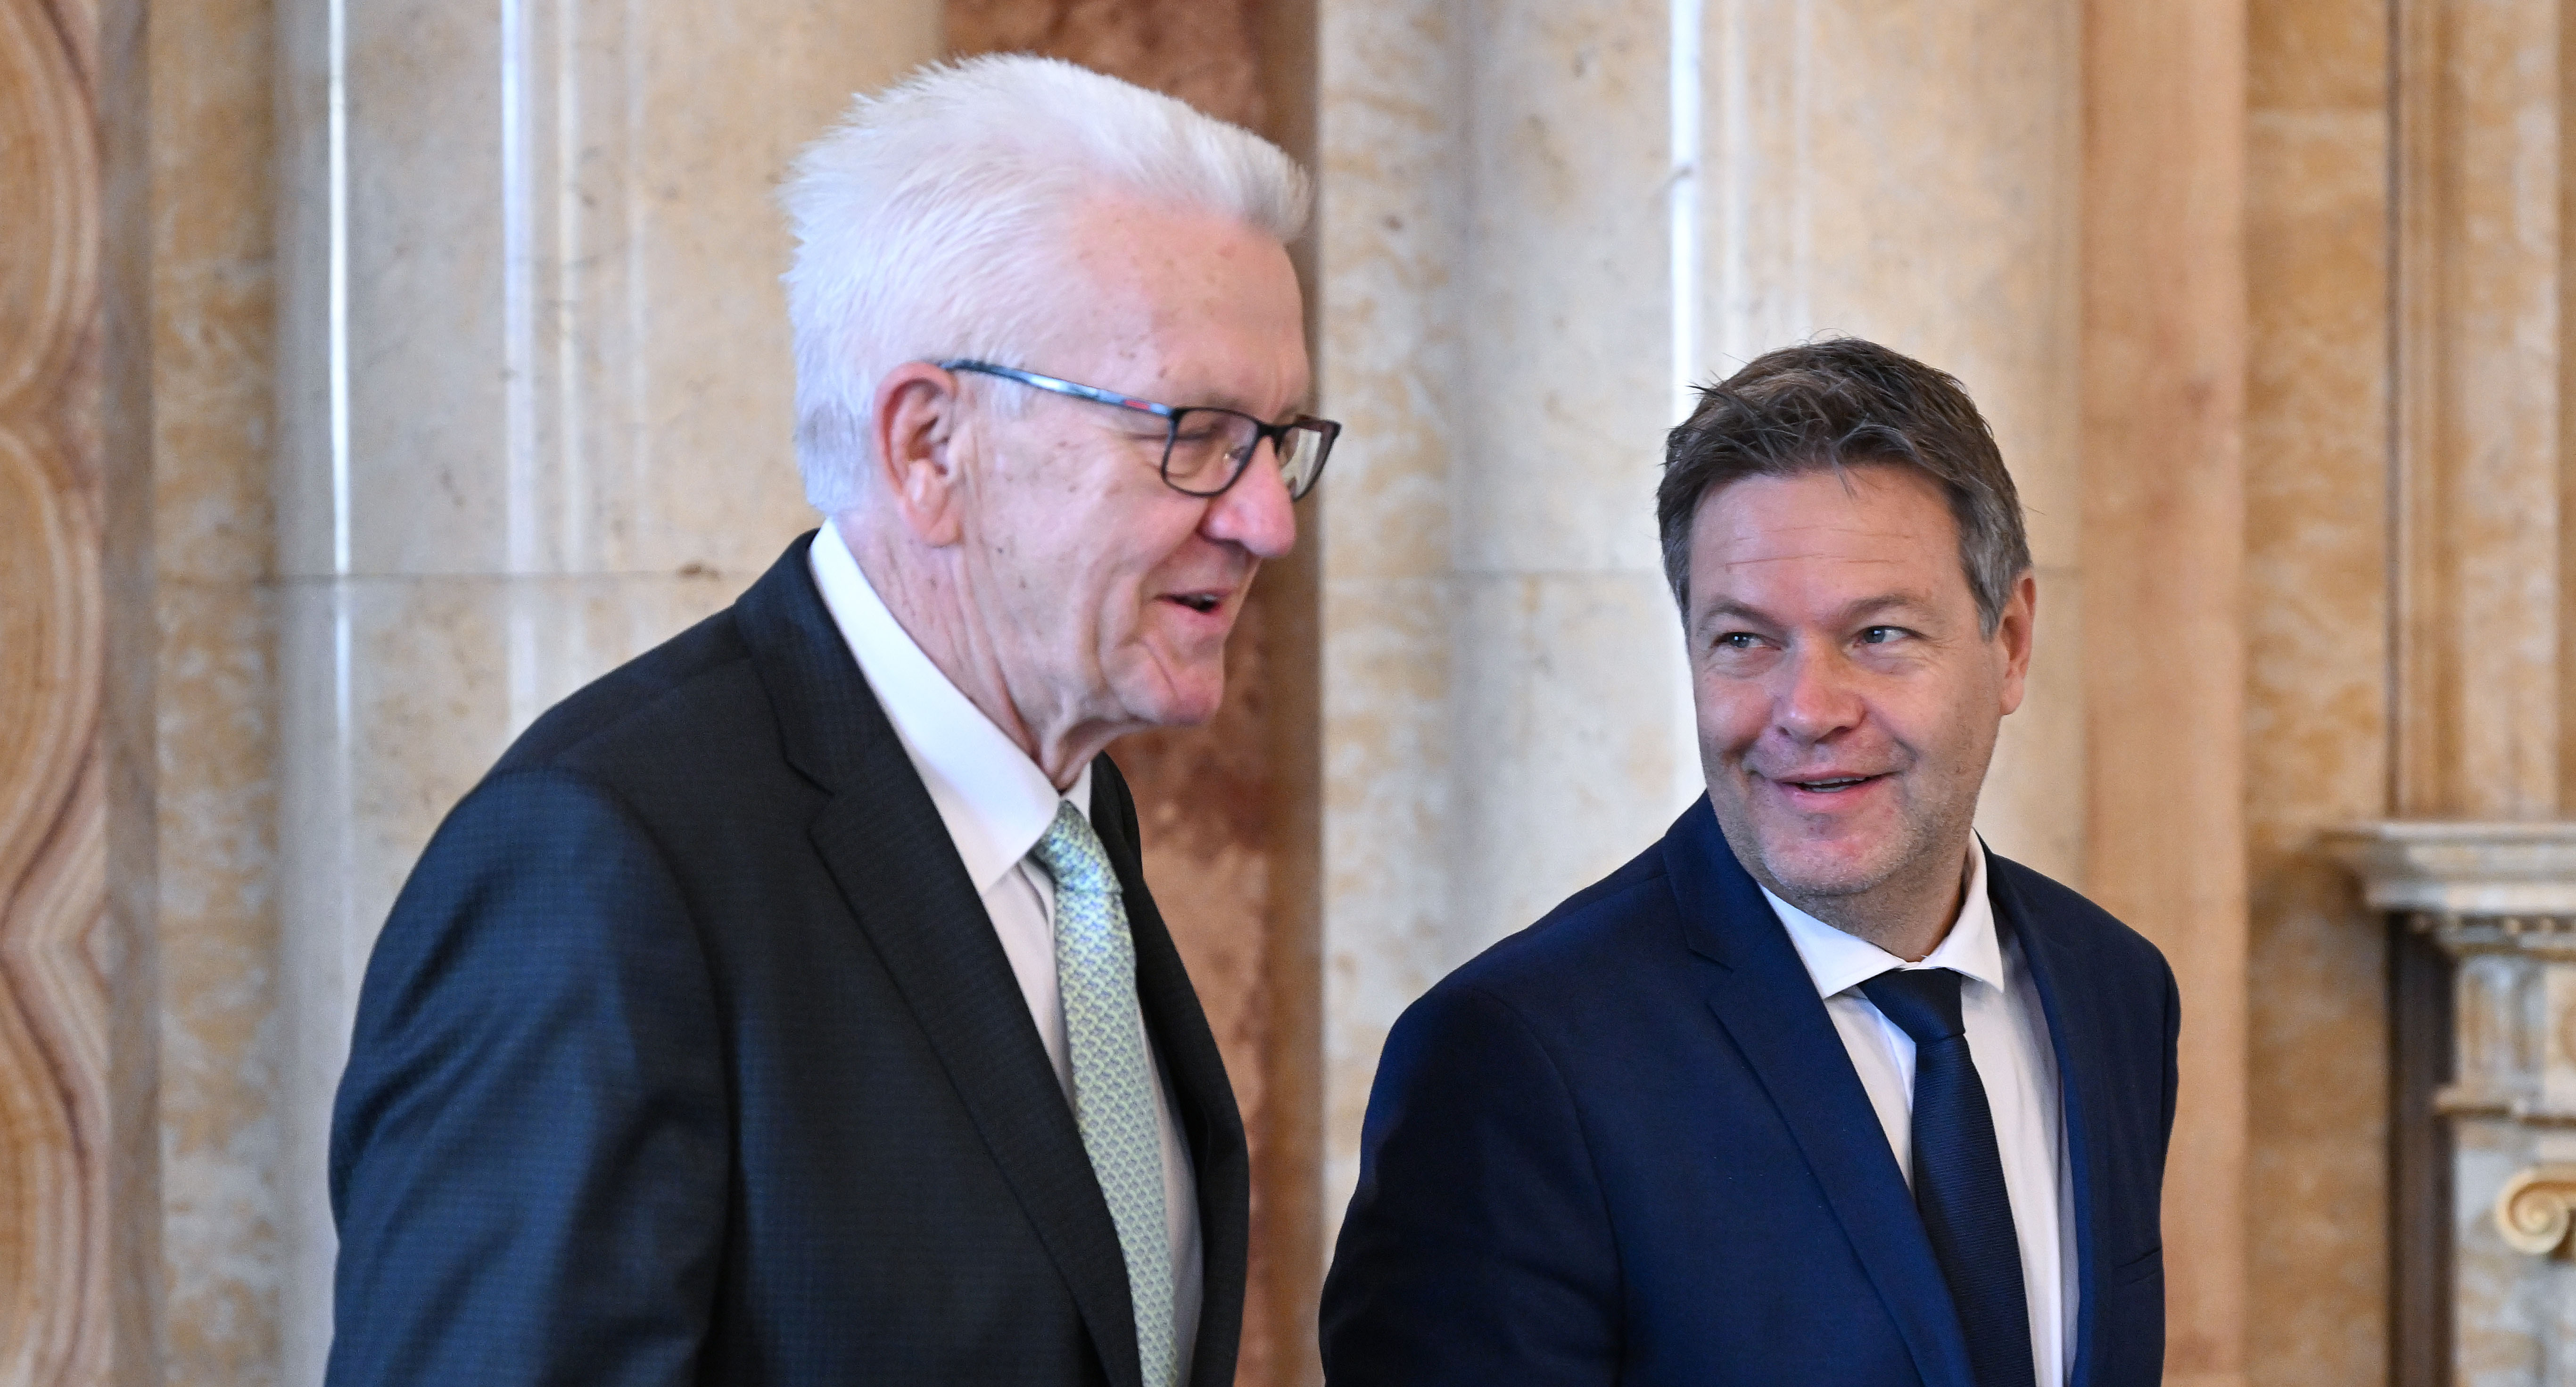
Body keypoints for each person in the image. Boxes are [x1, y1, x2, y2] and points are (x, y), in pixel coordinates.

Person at [326, 55, 1334, 1387]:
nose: (1268, 518)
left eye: (1278, 439)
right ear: (931, 446)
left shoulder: (1072, 834)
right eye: (1196, 433)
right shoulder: (597, 869)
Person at [1318, 338, 2175, 1387]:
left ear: (2009, 641)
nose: (1806, 710)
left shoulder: (2115, 992)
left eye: (1878, 633)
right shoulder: (1512, 1061)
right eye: (1742, 642)